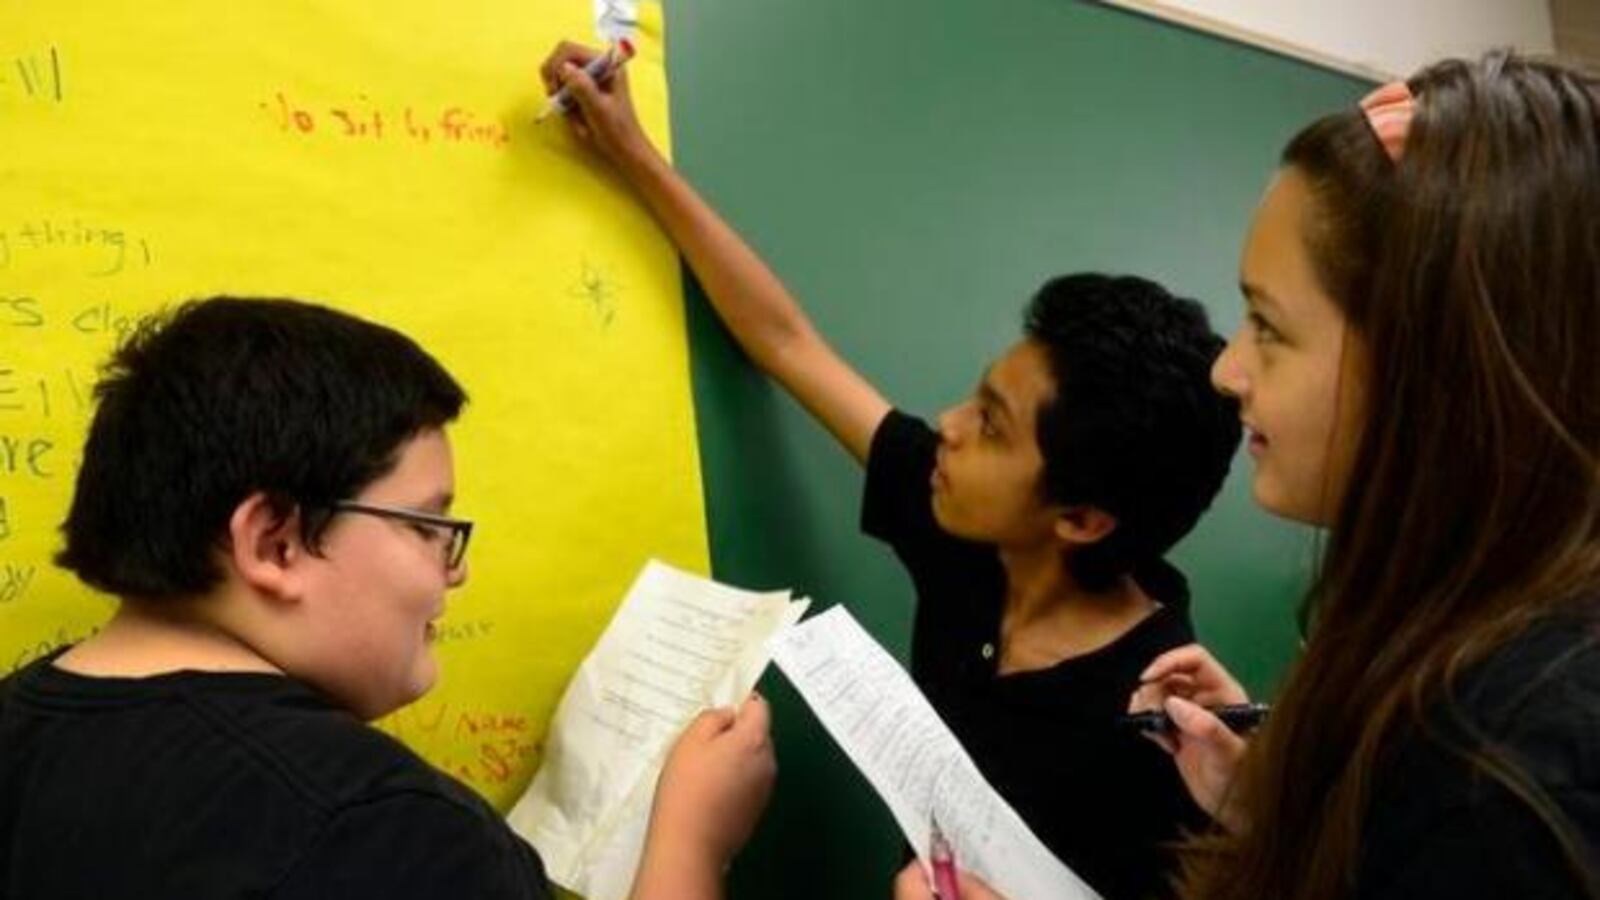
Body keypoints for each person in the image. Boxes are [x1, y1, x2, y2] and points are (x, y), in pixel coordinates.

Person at [539, 43, 1242, 899]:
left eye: (989, 426)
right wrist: (634, 154)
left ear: (1083, 519)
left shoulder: (1168, 731)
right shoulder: (971, 534)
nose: (944, 428)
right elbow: (788, 343)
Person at [902, 52, 1600, 900]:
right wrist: (1275, 811)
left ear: (1439, 368)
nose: (1229, 371)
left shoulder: (1508, 774)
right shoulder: (1456, 662)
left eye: (1268, 326)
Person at [0, 296, 774, 899]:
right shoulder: (383, 829)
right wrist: (691, 846)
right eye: (427, 523)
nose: (455, 568)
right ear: (276, 541)